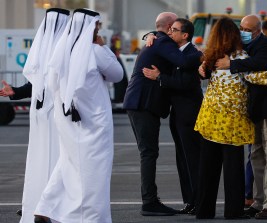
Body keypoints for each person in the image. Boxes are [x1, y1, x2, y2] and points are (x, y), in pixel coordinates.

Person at [194, 16, 267, 220]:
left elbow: (258, 66)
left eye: (246, 29)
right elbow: (254, 76)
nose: (242, 31)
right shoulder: (224, 55)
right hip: (236, 119)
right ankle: (253, 204)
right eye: (239, 28)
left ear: (258, 31)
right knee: (254, 158)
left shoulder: (258, 46)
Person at [33, 8, 123, 223]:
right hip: (94, 121)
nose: (98, 31)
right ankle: (91, 217)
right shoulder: (95, 51)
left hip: (66, 119)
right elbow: (118, 75)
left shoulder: (60, 51)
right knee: (94, 171)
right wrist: (104, 48)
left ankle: (44, 208)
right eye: (97, 27)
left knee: (68, 162)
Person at [123, 12, 200, 216]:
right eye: (173, 27)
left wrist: (150, 34)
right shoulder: (163, 42)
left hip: (140, 102)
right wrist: (203, 55)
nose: (173, 30)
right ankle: (149, 201)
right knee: (148, 153)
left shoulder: (156, 40)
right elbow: (184, 62)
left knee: (148, 152)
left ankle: (150, 199)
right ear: (168, 28)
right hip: (143, 103)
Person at [0, 8, 70, 223]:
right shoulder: (64, 48)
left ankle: (39, 204)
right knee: (59, 159)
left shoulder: (42, 48)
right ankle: (51, 206)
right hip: (56, 114)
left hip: (41, 113)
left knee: (41, 159)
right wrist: (17, 92)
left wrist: (17, 91)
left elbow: (35, 82)